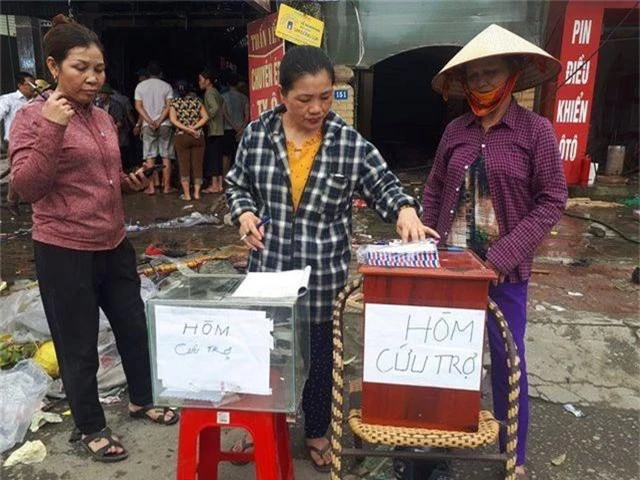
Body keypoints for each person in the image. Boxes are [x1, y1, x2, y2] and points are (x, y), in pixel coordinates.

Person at [225, 45, 438, 472]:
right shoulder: (257, 134)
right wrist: (244, 212)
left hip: (321, 276)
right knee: (269, 356)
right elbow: (237, 184)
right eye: (305, 98)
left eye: (325, 96)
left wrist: (405, 210)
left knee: (321, 361)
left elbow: (384, 186)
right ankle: (265, 427)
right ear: (282, 95)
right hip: (269, 273)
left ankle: (317, 432)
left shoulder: (348, 143)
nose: (317, 107)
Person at [10, 14, 178, 463]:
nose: (92, 77)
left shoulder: (103, 117)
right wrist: (52, 126)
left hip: (113, 243)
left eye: (98, 69)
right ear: (53, 66)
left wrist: (128, 182)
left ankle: (141, 399)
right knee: (78, 343)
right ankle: (89, 426)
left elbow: (97, 176)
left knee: (134, 326)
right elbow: (27, 187)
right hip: (64, 250)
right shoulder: (31, 119)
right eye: (80, 67)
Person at [423, 24, 567, 480]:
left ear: (513, 73)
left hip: (504, 275)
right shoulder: (455, 130)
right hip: (451, 270)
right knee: (448, 361)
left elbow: (552, 199)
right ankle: (443, 443)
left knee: (508, 364)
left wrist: (502, 255)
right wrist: (425, 240)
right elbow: (435, 188)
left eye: (492, 72)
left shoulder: (535, 131)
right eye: (475, 75)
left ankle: (513, 456)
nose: (482, 82)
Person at [134, 62, 175, 194]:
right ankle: (167, 187)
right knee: (166, 156)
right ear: (161, 73)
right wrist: (159, 120)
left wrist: (149, 120)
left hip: (147, 125)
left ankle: (151, 188)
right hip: (165, 124)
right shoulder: (167, 86)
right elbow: (169, 106)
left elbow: (138, 106)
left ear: (148, 73)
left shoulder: (140, 86)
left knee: (149, 157)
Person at [0, 71, 36, 216]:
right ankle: (12, 201)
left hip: (34, 140)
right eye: (29, 84)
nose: (33, 87)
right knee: (18, 171)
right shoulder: (8, 99)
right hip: (15, 141)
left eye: (34, 84)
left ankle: (34, 200)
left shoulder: (36, 99)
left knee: (35, 170)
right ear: (20, 85)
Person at [169, 80, 209, 200]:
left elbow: (173, 120)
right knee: (198, 165)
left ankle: (187, 195)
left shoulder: (174, 103)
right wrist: (194, 128)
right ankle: (197, 193)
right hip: (198, 136)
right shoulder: (197, 101)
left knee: (183, 165)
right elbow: (206, 117)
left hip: (181, 136)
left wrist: (186, 129)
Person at [198, 69, 225, 193]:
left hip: (213, 130)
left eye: (200, 79)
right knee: (218, 158)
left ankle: (214, 185)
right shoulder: (216, 91)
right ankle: (219, 184)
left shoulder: (209, 93)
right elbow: (222, 104)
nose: (199, 82)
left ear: (207, 81)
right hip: (220, 129)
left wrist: (206, 117)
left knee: (213, 158)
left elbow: (214, 108)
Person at [221, 71, 249, 177]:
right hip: (241, 130)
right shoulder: (244, 98)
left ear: (228, 84)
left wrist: (233, 126)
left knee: (226, 155)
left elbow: (225, 114)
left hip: (228, 129)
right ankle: (240, 177)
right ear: (237, 84)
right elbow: (247, 115)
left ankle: (225, 177)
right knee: (240, 154)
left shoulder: (223, 97)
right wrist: (241, 128)